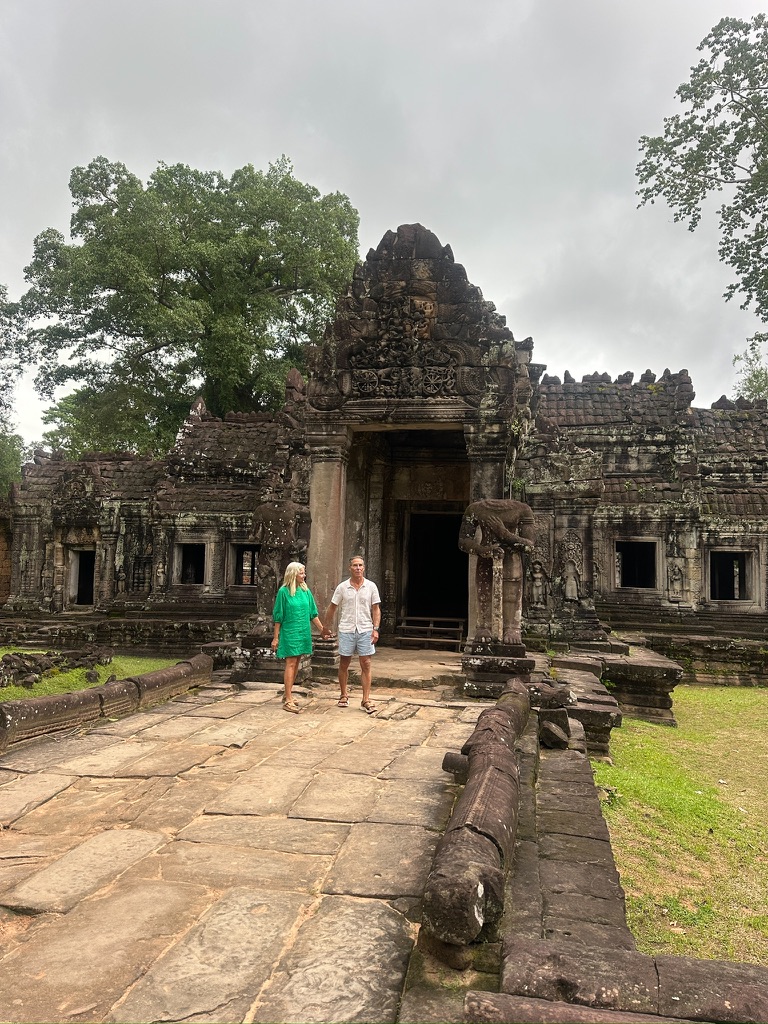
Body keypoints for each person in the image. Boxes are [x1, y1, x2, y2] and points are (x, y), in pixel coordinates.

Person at [458, 498, 536, 646]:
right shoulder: (475, 509)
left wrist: (504, 534)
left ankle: (512, 628)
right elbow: (463, 541)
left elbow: (529, 546)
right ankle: (484, 626)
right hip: (486, 558)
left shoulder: (522, 509)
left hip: (511, 559)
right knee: (484, 592)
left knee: (511, 594)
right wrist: (483, 550)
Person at [322, 555, 381, 714]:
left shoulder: (371, 586)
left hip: (365, 629)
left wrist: (376, 628)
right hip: (347, 629)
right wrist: (325, 627)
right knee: (344, 663)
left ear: (364, 567)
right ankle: (343, 694)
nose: (358, 568)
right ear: (350, 568)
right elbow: (332, 607)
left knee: (366, 663)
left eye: (360, 565)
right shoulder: (342, 587)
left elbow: (375, 608)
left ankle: (366, 699)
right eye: (355, 565)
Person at [271, 561, 325, 714]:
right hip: (290, 632)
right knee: (291, 663)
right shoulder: (283, 592)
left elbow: (313, 614)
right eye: (301, 573)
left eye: (304, 572)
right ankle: (288, 699)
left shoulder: (305, 591)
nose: (304, 575)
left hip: (303, 632)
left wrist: (322, 630)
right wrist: (276, 637)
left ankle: (288, 694)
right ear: (293, 574)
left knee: (297, 662)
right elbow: (278, 617)